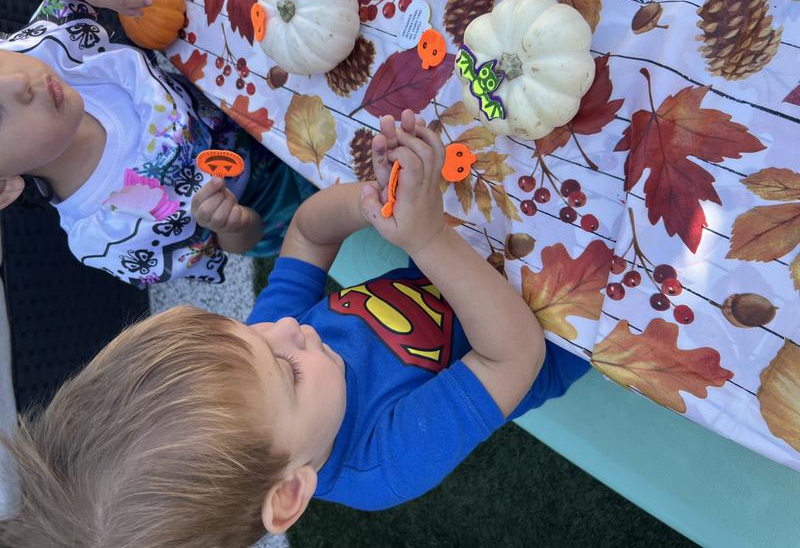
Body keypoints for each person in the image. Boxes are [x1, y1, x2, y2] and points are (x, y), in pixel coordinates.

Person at [0, 111, 590, 548]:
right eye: (286, 369)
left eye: (246, 332)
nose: (284, 327)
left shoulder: (259, 366)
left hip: (474, 246)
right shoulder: (381, 464)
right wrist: (426, 238)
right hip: (572, 320)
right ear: (288, 494)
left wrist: (372, 203)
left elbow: (308, 234)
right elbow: (513, 357)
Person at [0, 0, 313, 286]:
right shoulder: (111, 237)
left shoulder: (50, 52)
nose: (16, 82)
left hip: (256, 93)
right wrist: (232, 223)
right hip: (274, 194)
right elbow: (236, 242)